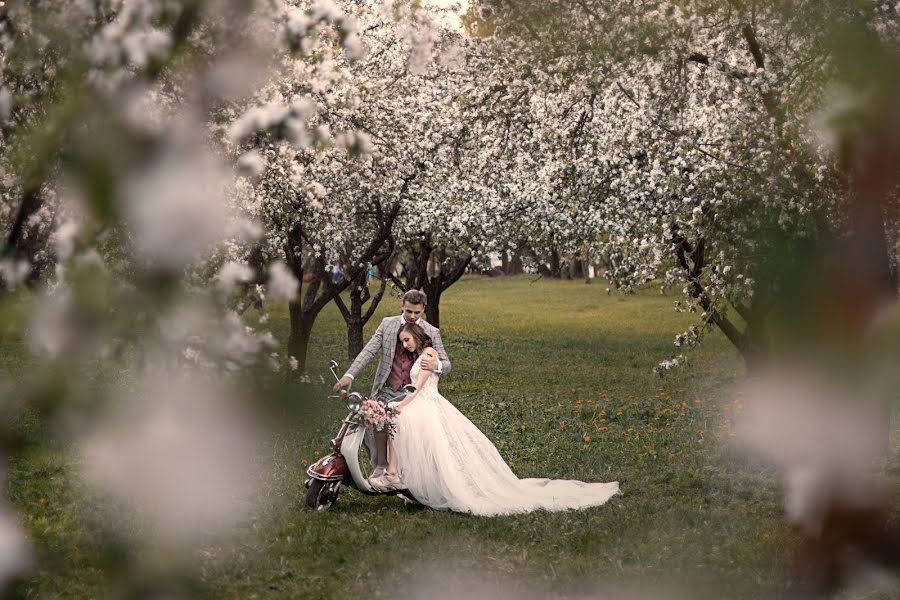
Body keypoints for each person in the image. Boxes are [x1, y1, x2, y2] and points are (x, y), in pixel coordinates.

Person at [385, 322, 619, 515]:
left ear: (416, 336)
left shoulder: (428, 354)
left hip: (427, 404)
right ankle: (415, 485)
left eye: (407, 340)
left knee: (423, 439)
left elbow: (419, 386)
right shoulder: (421, 355)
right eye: (402, 342)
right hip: (422, 404)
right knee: (422, 445)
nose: (404, 345)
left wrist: (400, 404)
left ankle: (404, 478)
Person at [333, 289, 451, 488]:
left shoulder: (431, 332)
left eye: (417, 313)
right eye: (408, 311)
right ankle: (381, 467)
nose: (412, 316)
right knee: (374, 421)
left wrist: (436, 366)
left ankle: (401, 473)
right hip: (388, 387)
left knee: (400, 428)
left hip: (411, 393)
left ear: (423, 310)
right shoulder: (388, 325)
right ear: (401, 307)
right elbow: (369, 350)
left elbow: (447, 364)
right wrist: (349, 375)